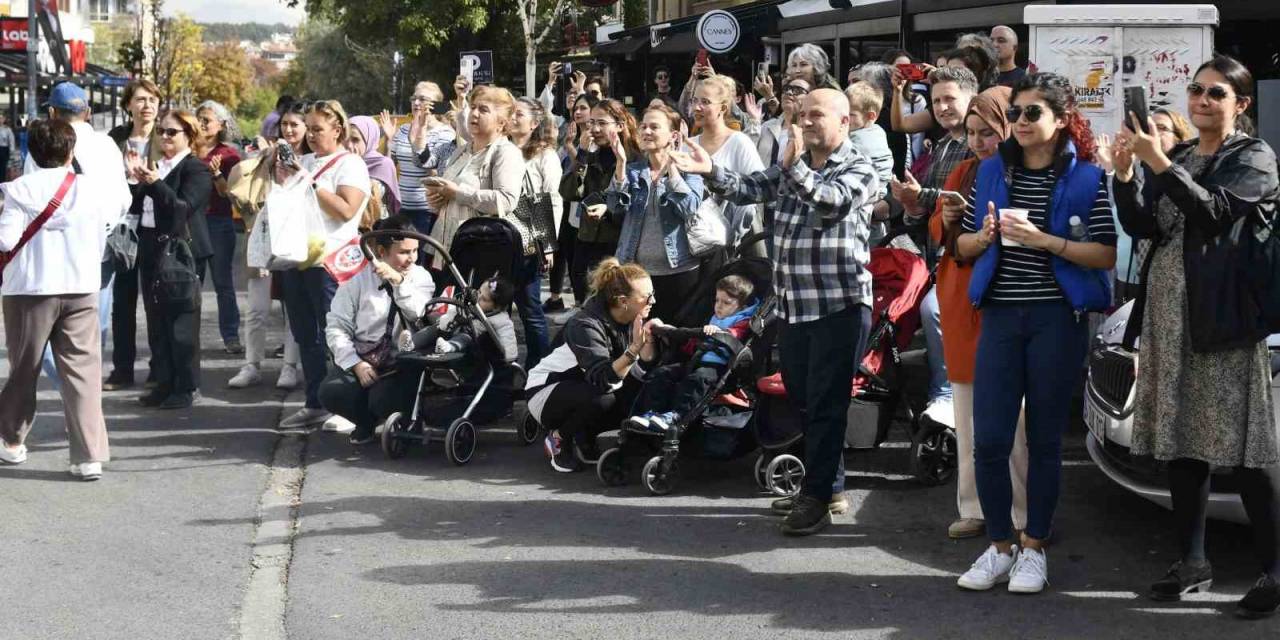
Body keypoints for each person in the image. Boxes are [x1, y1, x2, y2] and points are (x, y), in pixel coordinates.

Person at [1112, 55, 1280, 618]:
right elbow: (1147, 227)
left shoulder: (1254, 157)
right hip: (1168, 313)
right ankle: (1192, 562)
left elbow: (1211, 215)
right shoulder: (1182, 154)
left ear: (1240, 104)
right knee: (1183, 444)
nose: (1202, 101)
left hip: (1222, 319)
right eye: (1196, 91)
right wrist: (1125, 177)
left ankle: (1275, 568)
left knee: (1244, 451)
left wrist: (1157, 160)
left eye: (1216, 94)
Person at [672, 88, 881, 535]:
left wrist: (795, 166)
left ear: (844, 122)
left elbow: (829, 201)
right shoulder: (792, 164)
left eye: (816, 115)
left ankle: (817, 498)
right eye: (801, 115)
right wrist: (710, 170)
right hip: (794, 305)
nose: (804, 122)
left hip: (840, 305)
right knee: (805, 400)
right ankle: (832, 487)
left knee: (826, 404)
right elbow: (750, 188)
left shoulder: (859, 167)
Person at [954, 72, 1116, 594]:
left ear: (1061, 120)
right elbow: (960, 248)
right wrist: (979, 238)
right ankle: (999, 545)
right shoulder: (990, 172)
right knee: (990, 440)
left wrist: (1045, 240)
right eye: (1016, 113)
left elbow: (1107, 254)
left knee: (1045, 440)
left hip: (1055, 320)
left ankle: (1034, 547)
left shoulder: (1088, 178)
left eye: (1031, 113)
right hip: (1000, 316)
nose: (1020, 123)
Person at [0, 119, 130, 479]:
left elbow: (6, 241)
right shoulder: (91, 191)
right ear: (70, 151)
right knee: (83, 373)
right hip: (81, 286)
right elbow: (107, 223)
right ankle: (88, 456)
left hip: (29, 290)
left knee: (24, 369)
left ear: (31, 152)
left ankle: (11, 441)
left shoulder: (17, 190)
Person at [929, 86, 1029, 540]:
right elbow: (936, 229)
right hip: (961, 302)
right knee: (967, 412)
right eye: (971, 132)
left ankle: (1024, 514)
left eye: (987, 132)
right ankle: (973, 508)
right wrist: (947, 218)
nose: (977, 141)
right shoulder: (962, 171)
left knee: (1018, 421)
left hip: (1009, 303)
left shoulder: (1027, 172)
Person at [891, 66, 980, 430]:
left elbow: (966, 201)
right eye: (937, 100)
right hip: (937, 259)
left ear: (972, 98)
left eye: (949, 99)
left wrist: (922, 197)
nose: (942, 107)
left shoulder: (979, 146)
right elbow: (925, 215)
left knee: (935, 310)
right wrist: (911, 205)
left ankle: (946, 392)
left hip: (970, 261)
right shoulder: (942, 145)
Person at [27, 83, 131, 391]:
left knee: (42, 336)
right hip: (101, 249)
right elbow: (123, 199)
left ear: (52, 112)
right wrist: (105, 228)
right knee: (92, 329)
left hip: (57, 251)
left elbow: (34, 198)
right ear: (86, 111)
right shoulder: (108, 145)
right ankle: (86, 392)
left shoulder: (43, 144)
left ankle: (76, 389)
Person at [276, 100, 371, 429]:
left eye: (318, 129)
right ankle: (316, 402)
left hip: (331, 260)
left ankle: (346, 407)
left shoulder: (350, 164)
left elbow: (346, 210)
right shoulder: (303, 160)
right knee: (306, 335)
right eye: (309, 129)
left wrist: (309, 182)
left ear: (337, 130)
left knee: (335, 334)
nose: (312, 136)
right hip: (297, 256)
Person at [525, 258, 659, 473]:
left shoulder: (630, 318)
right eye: (646, 296)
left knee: (638, 395)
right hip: (544, 393)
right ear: (624, 301)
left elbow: (637, 375)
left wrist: (647, 345)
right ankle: (559, 438)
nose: (653, 301)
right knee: (604, 397)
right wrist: (634, 349)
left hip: (582, 386)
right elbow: (604, 378)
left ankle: (584, 435)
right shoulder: (584, 324)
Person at [126, 110, 215, 410]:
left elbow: (181, 208)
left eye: (171, 132)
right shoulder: (159, 166)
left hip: (181, 252)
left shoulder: (196, 169)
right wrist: (135, 180)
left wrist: (154, 183)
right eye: (161, 131)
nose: (164, 136)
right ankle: (164, 383)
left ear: (189, 136)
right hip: (151, 247)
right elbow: (141, 205)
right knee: (156, 321)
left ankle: (186, 386)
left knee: (181, 321)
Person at [319, 215, 433, 444]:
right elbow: (336, 327)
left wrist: (399, 283)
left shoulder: (420, 276)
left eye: (414, 251)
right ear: (381, 252)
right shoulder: (357, 281)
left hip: (401, 360)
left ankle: (404, 422)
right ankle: (365, 422)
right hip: (365, 356)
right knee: (330, 391)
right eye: (403, 252)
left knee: (382, 400)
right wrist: (355, 363)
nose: (411, 258)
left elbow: (419, 313)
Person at [226, 101, 306, 391]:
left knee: (293, 309)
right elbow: (244, 190)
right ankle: (252, 364)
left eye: (295, 124)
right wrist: (265, 159)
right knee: (256, 309)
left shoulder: (310, 162)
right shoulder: (266, 160)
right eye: (284, 124)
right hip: (263, 241)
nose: (288, 130)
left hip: (296, 244)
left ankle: (289, 367)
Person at [606, 103, 704, 325]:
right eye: (643, 126)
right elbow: (614, 207)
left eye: (654, 127)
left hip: (680, 269)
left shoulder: (690, 170)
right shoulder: (633, 171)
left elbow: (689, 208)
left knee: (676, 334)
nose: (646, 132)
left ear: (673, 135)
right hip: (637, 274)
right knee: (641, 336)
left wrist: (672, 170)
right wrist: (620, 164)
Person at [625, 274, 759, 433]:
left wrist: (721, 332)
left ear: (742, 306)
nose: (719, 306)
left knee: (698, 379)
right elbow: (697, 340)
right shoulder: (716, 317)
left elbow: (737, 334)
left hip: (719, 367)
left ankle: (676, 415)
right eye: (717, 300)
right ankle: (651, 412)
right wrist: (678, 337)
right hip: (698, 360)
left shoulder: (743, 320)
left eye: (726, 303)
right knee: (662, 373)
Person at [427, 85, 524, 274]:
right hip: (447, 248)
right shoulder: (462, 150)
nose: (474, 113)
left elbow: (506, 200)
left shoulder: (506, 153)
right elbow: (451, 198)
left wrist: (457, 193)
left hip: (481, 250)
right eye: (473, 107)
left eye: (483, 109)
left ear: (502, 122)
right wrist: (437, 199)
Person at [105, 78, 161, 391]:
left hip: (155, 230)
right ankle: (122, 369)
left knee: (155, 302)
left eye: (152, 99)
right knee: (122, 302)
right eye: (140, 99)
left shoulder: (166, 135)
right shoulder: (116, 139)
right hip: (124, 227)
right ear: (128, 105)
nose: (147, 105)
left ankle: (157, 368)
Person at [1110, 106, 1193, 303]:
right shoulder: (1142, 171)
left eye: (1161, 128)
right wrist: (1123, 175)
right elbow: (1138, 226)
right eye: (1148, 128)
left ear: (1179, 138)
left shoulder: (1189, 172)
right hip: (1143, 278)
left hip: (1187, 283)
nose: (1152, 133)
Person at [561, 98, 638, 303]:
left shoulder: (634, 159)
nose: (594, 128)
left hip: (617, 241)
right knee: (585, 295)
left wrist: (609, 209)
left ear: (620, 126)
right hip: (587, 238)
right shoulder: (591, 156)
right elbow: (569, 192)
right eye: (591, 123)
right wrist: (582, 155)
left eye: (602, 123)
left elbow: (636, 205)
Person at [508, 97, 562, 369]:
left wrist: (547, 244)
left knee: (530, 309)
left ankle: (538, 366)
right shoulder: (500, 149)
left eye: (519, 114)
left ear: (534, 123)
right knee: (496, 307)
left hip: (530, 237)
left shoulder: (544, 155)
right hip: (501, 235)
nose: (513, 118)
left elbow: (549, 198)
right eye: (511, 113)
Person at [690, 75, 765, 261]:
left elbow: (757, 188)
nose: (697, 107)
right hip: (692, 247)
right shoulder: (688, 144)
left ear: (723, 108)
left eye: (705, 102)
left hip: (732, 247)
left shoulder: (739, 142)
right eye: (695, 100)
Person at [194, 100, 244, 355]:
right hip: (191, 223)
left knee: (223, 283)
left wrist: (217, 176)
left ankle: (231, 335)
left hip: (218, 223)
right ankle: (188, 336)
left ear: (221, 125)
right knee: (192, 282)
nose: (202, 124)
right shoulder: (187, 150)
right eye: (199, 118)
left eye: (208, 120)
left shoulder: (229, 155)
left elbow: (230, 196)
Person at [544, 93, 599, 312]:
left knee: (581, 264)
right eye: (576, 108)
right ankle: (571, 303)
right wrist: (569, 145)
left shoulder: (596, 140)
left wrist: (574, 149)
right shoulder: (572, 135)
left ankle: (583, 306)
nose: (577, 112)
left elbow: (585, 169)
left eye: (583, 108)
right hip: (568, 203)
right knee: (565, 255)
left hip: (588, 207)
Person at [380, 81, 455, 235]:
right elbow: (391, 164)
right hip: (400, 207)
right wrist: (389, 141)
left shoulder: (445, 133)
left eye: (422, 99)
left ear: (435, 104)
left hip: (427, 211)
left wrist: (417, 143)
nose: (416, 103)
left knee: (419, 258)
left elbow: (438, 174)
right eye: (414, 98)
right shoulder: (403, 129)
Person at [845, 81, 894, 243]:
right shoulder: (878, 131)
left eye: (851, 115)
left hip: (866, 206)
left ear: (871, 116)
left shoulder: (858, 140)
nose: (844, 118)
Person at [348, 115, 402, 220]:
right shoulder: (341, 162)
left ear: (369, 139)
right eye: (346, 138)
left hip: (377, 227)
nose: (349, 145)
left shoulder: (383, 164)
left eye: (355, 139)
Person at [0, 114, 14, 182]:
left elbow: (11, 141)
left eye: (1, 118)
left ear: (4, 119)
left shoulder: (7, 129)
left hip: (4, 150)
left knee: (3, 167)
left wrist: (12, 151)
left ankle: (1, 182)